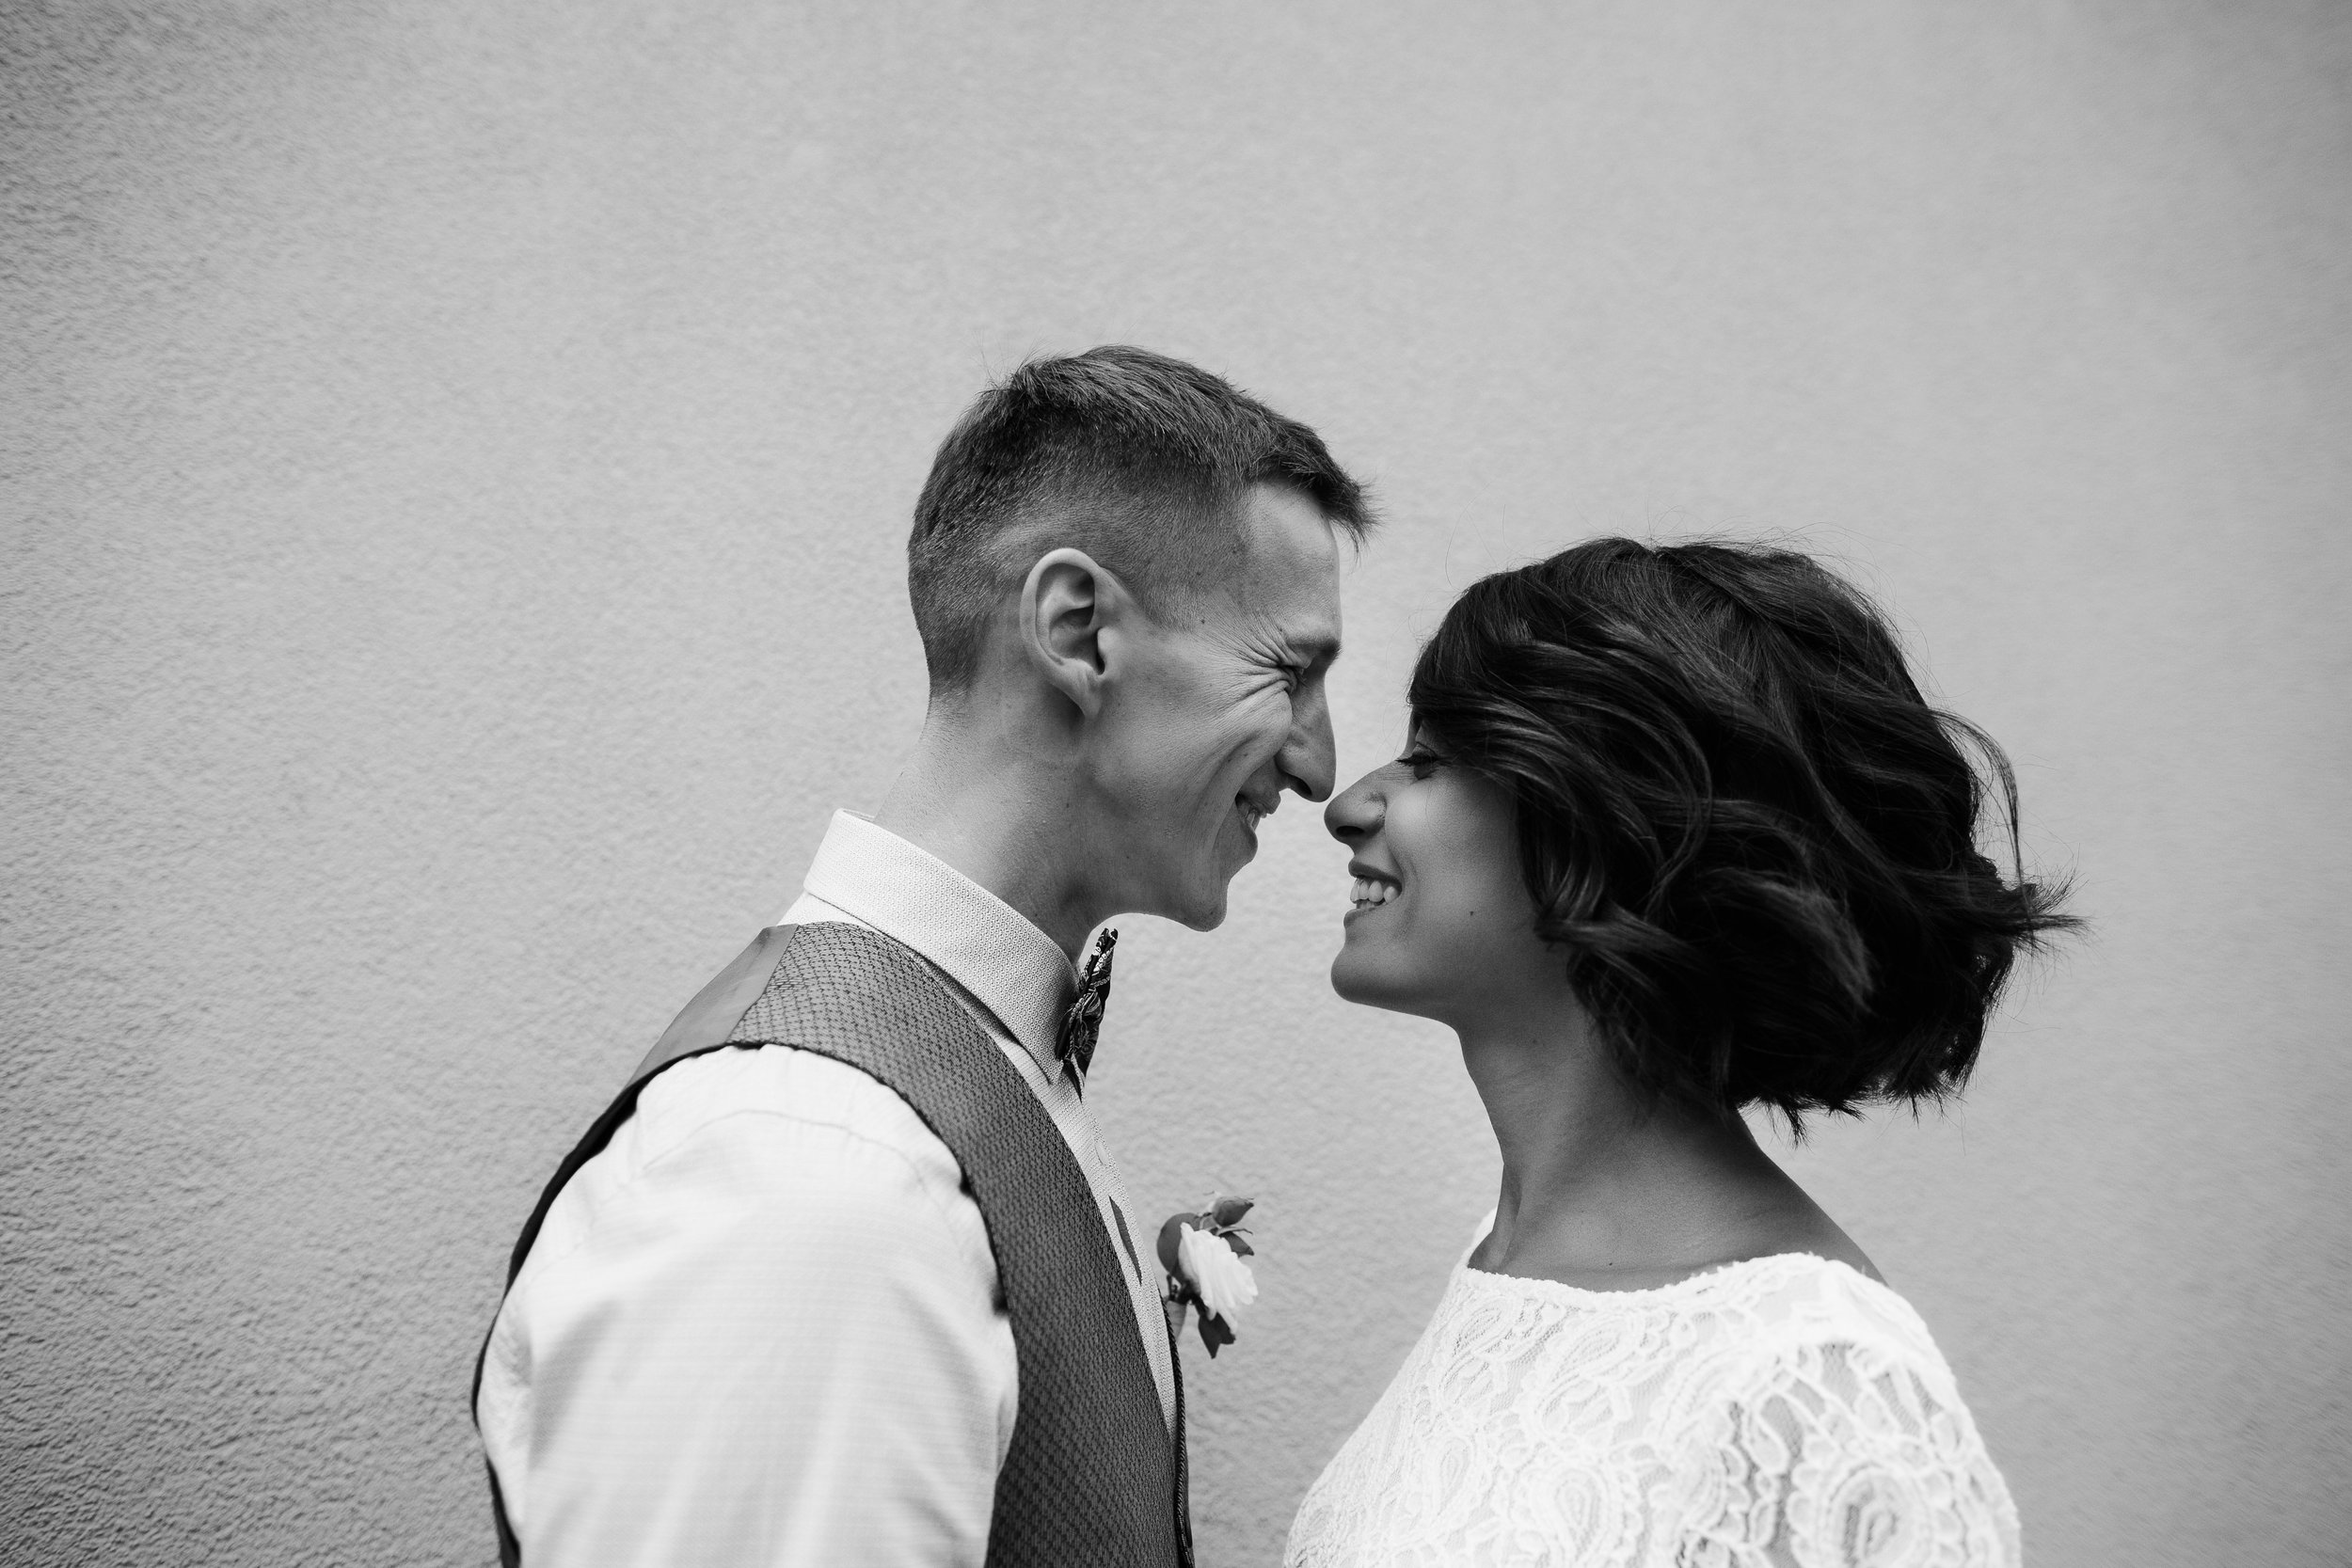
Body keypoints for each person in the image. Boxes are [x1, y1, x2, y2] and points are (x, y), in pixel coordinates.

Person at [474, 345, 1373, 1568]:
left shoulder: (949, 1084)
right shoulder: (811, 1178)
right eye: (1289, 671)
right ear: (1080, 630)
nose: (1322, 767)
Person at [1286, 538, 2073, 1567]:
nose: (1348, 804)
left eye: (1432, 761)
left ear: (1610, 821)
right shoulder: (1506, 1264)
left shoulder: (1817, 1389)